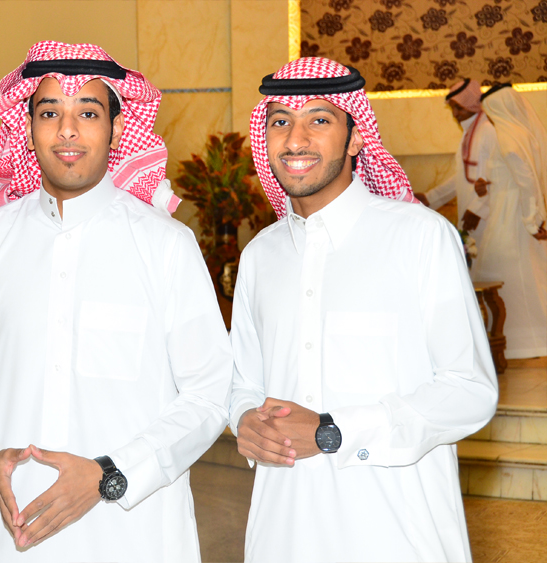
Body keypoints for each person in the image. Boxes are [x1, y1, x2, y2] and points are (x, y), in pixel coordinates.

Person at [0, 41, 232, 562]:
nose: (67, 130)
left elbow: (208, 393)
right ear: (28, 128)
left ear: (117, 128)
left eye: (88, 113)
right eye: (50, 113)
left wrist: (110, 474)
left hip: (131, 529)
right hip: (10, 525)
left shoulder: (165, 245)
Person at [230, 57, 498, 562]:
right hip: (284, 529)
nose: (295, 139)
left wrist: (333, 432)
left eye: (319, 119)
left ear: (356, 138)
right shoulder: (260, 255)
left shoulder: (419, 237)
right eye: (280, 121)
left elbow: (470, 390)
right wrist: (244, 419)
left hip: (395, 534)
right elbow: (242, 382)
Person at [471, 83, 547, 358]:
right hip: (513, 212)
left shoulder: (506, 137)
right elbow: (511, 177)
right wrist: (488, 184)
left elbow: (526, 183)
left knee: (508, 278)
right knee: (529, 277)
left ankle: (518, 343)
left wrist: (530, 221)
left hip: (512, 216)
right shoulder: (521, 133)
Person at [415, 79, 499, 243]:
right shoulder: (470, 131)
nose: (454, 114)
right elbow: (463, 176)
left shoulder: (488, 131)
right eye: (453, 108)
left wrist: (478, 209)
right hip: (470, 211)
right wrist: (430, 197)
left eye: (459, 108)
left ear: (472, 105)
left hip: (486, 216)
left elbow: (499, 177)